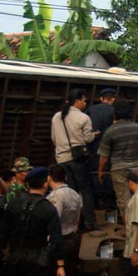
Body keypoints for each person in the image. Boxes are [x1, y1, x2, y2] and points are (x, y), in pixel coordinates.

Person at [51, 88, 97, 230]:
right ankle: (89, 221)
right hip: (77, 158)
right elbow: (88, 138)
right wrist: (95, 135)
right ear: (77, 101)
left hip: (61, 158)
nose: (85, 104)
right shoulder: (84, 118)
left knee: (70, 191)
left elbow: (54, 138)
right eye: (84, 101)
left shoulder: (57, 116)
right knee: (86, 189)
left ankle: (71, 222)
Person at [98, 100, 138, 220]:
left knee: (124, 200)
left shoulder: (110, 131)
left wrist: (100, 171)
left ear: (115, 114)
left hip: (118, 169)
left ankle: (128, 226)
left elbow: (104, 156)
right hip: (137, 167)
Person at [46, 164, 85, 276]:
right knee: (69, 273)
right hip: (72, 237)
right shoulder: (75, 194)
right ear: (66, 177)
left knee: (54, 275)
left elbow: (54, 220)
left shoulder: (55, 197)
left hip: (59, 240)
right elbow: (78, 217)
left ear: (49, 178)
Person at [87, 88, 117, 211]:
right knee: (108, 175)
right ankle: (109, 205)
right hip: (109, 150)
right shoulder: (114, 111)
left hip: (93, 148)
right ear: (113, 99)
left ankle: (97, 203)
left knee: (94, 175)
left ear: (101, 98)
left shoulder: (90, 110)